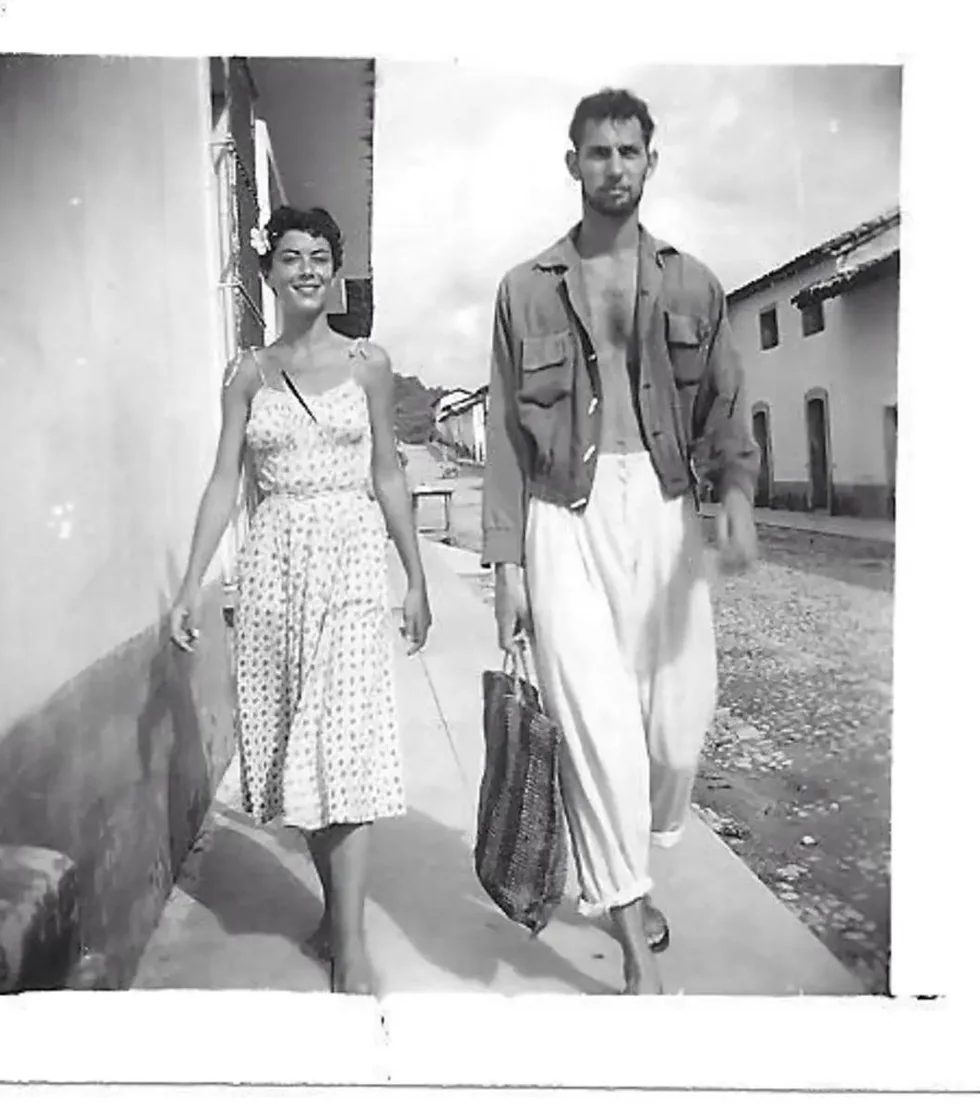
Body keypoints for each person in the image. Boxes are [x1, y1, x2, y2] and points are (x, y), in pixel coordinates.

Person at [481, 89, 759, 994]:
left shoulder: (692, 283)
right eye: (596, 152)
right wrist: (507, 568)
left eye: (628, 151)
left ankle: (628, 872)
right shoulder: (526, 290)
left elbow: (725, 407)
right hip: (563, 513)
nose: (613, 167)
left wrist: (740, 496)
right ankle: (633, 937)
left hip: (665, 504)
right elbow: (505, 441)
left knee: (676, 728)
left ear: (650, 160)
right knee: (597, 728)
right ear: (573, 164)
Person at [170, 205, 431, 995]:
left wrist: (414, 576)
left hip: (351, 562)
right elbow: (224, 480)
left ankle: (350, 945)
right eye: (291, 257)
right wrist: (191, 581)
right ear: (270, 273)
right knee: (298, 752)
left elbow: (389, 470)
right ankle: (333, 916)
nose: (308, 269)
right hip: (276, 567)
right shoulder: (246, 374)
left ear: (336, 270)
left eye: (321, 255)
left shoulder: (369, 364)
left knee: (342, 743)